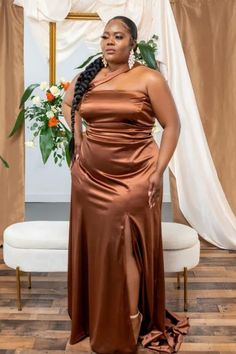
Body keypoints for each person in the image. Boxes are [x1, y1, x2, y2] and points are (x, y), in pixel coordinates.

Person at [62, 15, 189, 354]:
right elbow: (67, 103)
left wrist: (158, 170)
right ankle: (96, 318)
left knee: (123, 248)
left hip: (136, 175)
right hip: (90, 177)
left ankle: (131, 317)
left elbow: (173, 126)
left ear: (133, 43)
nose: (109, 41)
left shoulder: (149, 78)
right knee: (99, 247)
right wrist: (77, 141)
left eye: (117, 36)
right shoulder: (88, 77)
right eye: (105, 36)